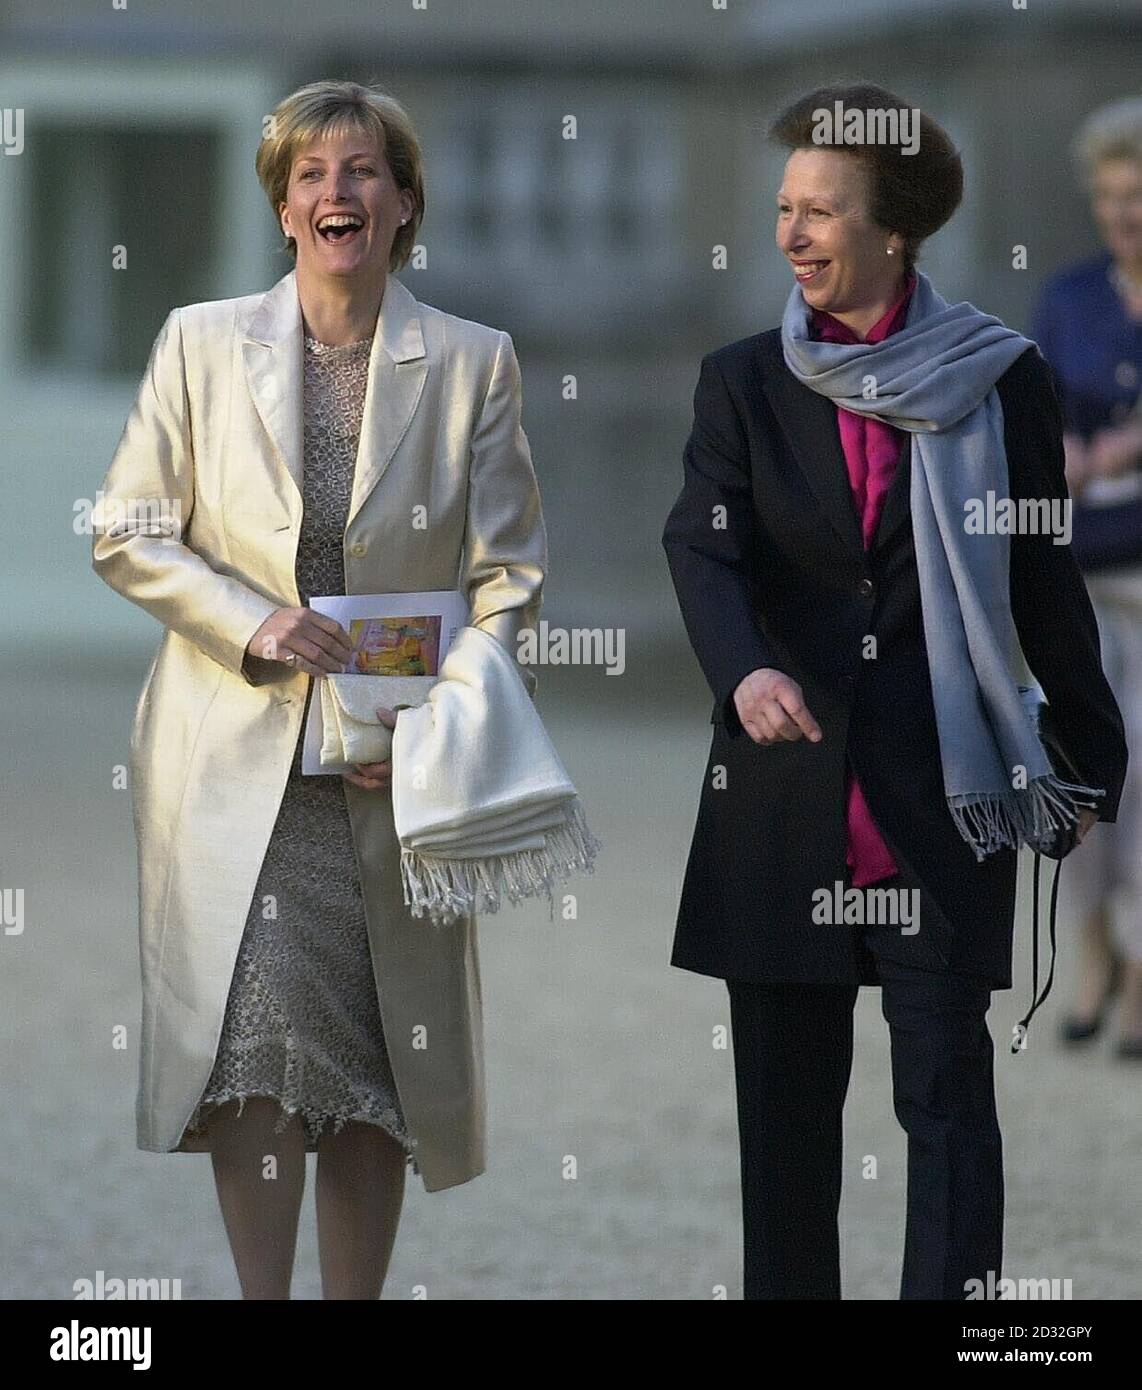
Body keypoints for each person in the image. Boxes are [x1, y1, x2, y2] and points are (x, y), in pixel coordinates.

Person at [662, 83, 1128, 1300]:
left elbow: (1038, 569)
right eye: (782, 208)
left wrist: (1082, 749)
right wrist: (744, 665)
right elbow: (701, 547)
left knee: (946, 1103)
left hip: (938, 790)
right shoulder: (743, 381)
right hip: (782, 793)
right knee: (783, 1125)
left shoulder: (999, 374)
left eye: (820, 209)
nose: (791, 233)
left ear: (894, 226)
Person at [92, 79, 546, 1298]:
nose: (335, 192)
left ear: (403, 204)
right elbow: (129, 531)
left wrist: (447, 721)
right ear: (283, 206)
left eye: (362, 172)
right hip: (231, 756)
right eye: (310, 174)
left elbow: (508, 577)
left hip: (391, 768)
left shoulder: (471, 363)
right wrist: (255, 620)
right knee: (253, 1052)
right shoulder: (199, 340)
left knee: (373, 1062)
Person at [1031, 97, 1142, 1057]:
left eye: (1138, 196)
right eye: (1109, 197)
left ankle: (1141, 976)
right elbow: (1039, 418)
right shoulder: (1068, 301)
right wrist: (1066, 448)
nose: (1123, 215)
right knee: (1081, 774)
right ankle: (1097, 948)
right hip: (1085, 574)